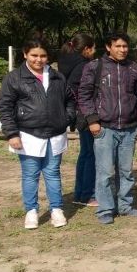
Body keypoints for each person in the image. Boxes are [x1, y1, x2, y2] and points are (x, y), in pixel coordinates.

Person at [0, 39, 74, 229]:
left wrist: (67, 118)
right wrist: (11, 133)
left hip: (55, 134)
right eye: (34, 55)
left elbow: (70, 100)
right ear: (25, 54)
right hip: (28, 134)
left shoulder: (57, 77)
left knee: (53, 173)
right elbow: (5, 107)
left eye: (43, 56)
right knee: (30, 174)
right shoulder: (14, 78)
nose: (39, 60)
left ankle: (56, 209)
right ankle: (31, 211)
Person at [78, 32, 137, 225]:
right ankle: (106, 209)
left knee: (126, 171)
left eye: (125, 46)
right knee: (105, 172)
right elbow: (83, 95)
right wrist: (92, 121)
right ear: (108, 47)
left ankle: (124, 205)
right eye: (118, 46)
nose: (122, 50)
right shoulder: (94, 67)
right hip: (104, 129)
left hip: (129, 128)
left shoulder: (134, 69)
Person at [58, 32, 97, 207]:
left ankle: (80, 194)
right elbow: (78, 89)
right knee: (91, 155)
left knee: (85, 154)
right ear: (86, 49)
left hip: (77, 114)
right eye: (93, 47)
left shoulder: (66, 61)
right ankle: (88, 195)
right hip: (86, 115)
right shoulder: (83, 66)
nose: (95, 51)